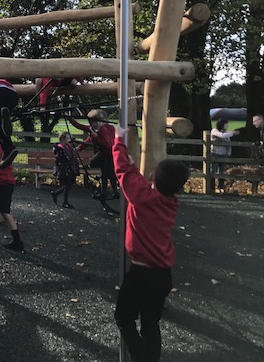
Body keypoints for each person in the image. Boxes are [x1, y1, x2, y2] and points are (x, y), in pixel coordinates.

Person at [112, 125, 190, 362]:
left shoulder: (143, 198)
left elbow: (123, 172)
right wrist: (132, 163)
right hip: (162, 275)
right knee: (150, 323)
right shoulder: (170, 202)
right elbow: (133, 178)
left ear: (153, 178)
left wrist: (118, 141)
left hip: (141, 274)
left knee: (124, 318)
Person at [68, 108, 118, 199]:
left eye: (98, 122)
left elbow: (108, 144)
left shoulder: (108, 129)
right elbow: (81, 128)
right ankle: (104, 192)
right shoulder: (93, 129)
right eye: (93, 122)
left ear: (104, 121)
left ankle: (113, 192)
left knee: (108, 174)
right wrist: (70, 118)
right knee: (103, 173)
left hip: (109, 154)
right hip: (102, 153)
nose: (96, 124)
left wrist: (97, 138)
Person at [51, 131, 80, 209]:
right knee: (67, 185)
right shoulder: (60, 149)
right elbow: (60, 160)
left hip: (70, 169)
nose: (69, 140)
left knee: (68, 185)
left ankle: (58, 195)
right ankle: (64, 201)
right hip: (64, 170)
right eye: (67, 138)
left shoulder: (69, 147)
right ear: (62, 140)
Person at [210, 118, 239, 193]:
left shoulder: (227, 133)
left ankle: (220, 187)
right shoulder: (214, 131)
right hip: (215, 154)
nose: (227, 126)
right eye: (226, 124)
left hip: (223, 155)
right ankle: (211, 188)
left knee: (222, 172)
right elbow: (221, 136)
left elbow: (228, 144)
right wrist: (232, 133)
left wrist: (228, 153)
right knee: (213, 171)